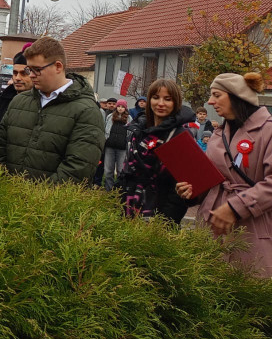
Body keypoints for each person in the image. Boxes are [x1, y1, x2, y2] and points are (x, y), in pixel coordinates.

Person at [176, 72, 272, 278]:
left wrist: (235, 207)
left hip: (252, 229)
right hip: (210, 224)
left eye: (217, 95)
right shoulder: (219, 133)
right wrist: (193, 191)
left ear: (237, 96)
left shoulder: (268, 131)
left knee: (246, 293)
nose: (210, 102)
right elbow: (214, 178)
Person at [0, 36, 104, 184]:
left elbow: (78, 169)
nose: (31, 75)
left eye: (37, 70)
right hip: (8, 199)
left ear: (58, 66)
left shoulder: (87, 111)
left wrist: (35, 198)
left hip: (50, 204)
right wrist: (6, 186)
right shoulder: (18, 101)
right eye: (29, 69)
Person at [120, 79, 195, 223]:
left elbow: (181, 188)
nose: (160, 103)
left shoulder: (180, 135)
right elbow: (126, 171)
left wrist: (166, 221)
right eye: (156, 98)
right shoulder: (137, 129)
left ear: (176, 102)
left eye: (167, 99)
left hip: (158, 210)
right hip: (127, 204)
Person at [0, 51, 32, 133]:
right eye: (15, 73)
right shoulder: (3, 100)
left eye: (23, 73)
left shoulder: (41, 102)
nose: (17, 78)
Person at [101, 99, 131, 191]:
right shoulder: (110, 116)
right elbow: (106, 129)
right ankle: (108, 190)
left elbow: (130, 133)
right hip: (110, 147)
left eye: (122, 107)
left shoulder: (129, 118)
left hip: (122, 148)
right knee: (108, 170)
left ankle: (119, 191)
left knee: (120, 171)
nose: (120, 108)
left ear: (125, 108)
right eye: (118, 106)